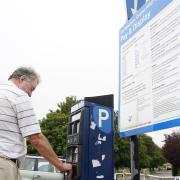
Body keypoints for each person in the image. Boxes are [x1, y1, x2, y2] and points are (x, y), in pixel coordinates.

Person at [0, 66, 72, 180]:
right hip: (4, 165)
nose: (30, 94)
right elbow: (36, 139)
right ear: (22, 79)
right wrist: (61, 165)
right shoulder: (18, 95)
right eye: (31, 89)